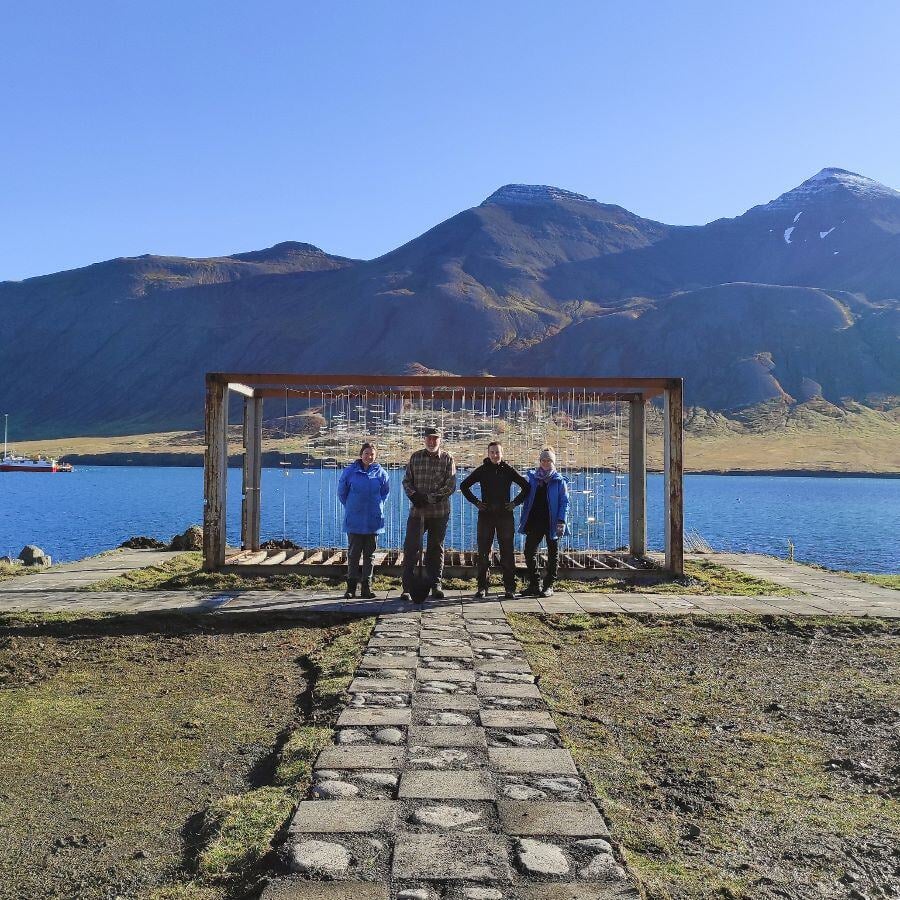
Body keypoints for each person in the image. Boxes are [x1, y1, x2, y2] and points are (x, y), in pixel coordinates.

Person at [460, 441, 529, 598]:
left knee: (507, 553)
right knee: (483, 553)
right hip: (486, 516)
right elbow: (464, 486)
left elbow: (526, 487)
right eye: (492, 452)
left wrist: (515, 503)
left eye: (497, 452)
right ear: (488, 453)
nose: (495, 455)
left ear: (502, 453)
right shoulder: (482, 470)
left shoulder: (509, 470)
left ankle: (510, 588)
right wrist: (476, 502)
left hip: (505, 516)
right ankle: (482, 587)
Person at [400, 427, 456, 603]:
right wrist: (414, 496)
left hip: (439, 512)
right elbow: (406, 481)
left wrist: (430, 498)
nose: (432, 442)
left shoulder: (448, 459)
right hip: (417, 512)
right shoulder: (415, 457)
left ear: (440, 440)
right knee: (411, 548)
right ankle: (407, 587)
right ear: (424, 439)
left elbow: (450, 485)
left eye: (435, 439)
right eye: (429, 439)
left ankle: (435, 584)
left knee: (435, 548)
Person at [337, 442, 390, 599]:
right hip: (354, 520)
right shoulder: (349, 472)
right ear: (361, 455)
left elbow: (385, 494)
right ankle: (351, 588)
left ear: (376, 456)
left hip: (374, 521)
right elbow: (342, 493)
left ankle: (367, 587)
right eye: (366, 453)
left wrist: (377, 506)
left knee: (370, 555)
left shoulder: (381, 473)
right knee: (353, 554)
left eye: (372, 454)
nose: (369, 456)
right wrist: (352, 506)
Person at [518, 446, 569, 598]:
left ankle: (548, 586)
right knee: (529, 552)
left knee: (553, 554)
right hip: (535, 521)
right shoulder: (532, 479)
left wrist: (562, 520)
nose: (546, 462)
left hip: (553, 522)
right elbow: (525, 498)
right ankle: (534, 583)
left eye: (549, 460)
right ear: (540, 461)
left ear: (554, 462)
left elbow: (565, 502)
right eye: (543, 460)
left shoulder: (559, 481)